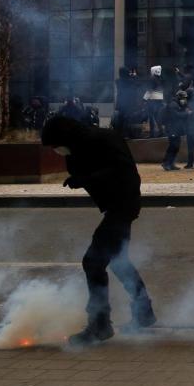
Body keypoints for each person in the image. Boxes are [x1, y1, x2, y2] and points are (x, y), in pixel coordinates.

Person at [40, 116, 155, 347]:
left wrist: (85, 179)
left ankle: (100, 324)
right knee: (118, 261)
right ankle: (143, 313)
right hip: (116, 207)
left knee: (93, 262)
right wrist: (80, 177)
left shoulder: (103, 139)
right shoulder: (79, 147)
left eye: (56, 145)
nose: (56, 151)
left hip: (123, 205)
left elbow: (122, 171)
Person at [161, 90, 191, 171]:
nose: (184, 99)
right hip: (171, 128)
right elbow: (176, 116)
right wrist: (187, 113)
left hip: (176, 129)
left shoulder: (178, 104)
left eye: (185, 98)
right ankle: (166, 163)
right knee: (173, 146)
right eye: (183, 98)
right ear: (179, 97)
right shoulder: (173, 105)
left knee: (176, 147)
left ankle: (171, 163)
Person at [144, 66, 166, 138]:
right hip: (159, 99)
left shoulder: (152, 78)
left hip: (153, 100)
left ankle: (152, 133)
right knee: (157, 117)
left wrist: (144, 99)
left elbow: (149, 90)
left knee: (151, 117)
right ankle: (161, 131)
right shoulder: (160, 78)